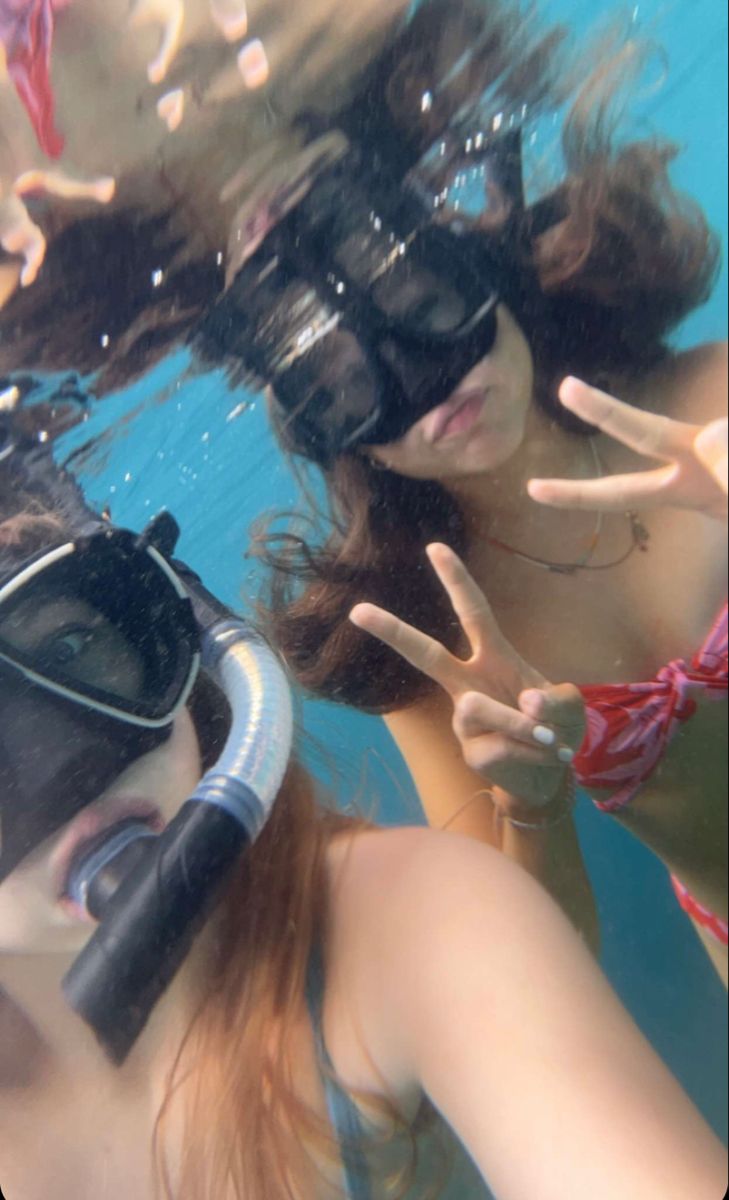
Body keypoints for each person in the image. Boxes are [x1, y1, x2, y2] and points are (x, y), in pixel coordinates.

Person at [1, 417, 728, 1200]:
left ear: (183, 647)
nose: (66, 767)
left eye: (74, 650)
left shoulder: (395, 919)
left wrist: (534, 807)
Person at [200, 11, 727, 977]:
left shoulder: (712, 401)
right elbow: (547, 976)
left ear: (480, 271)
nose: (429, 379)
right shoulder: (432, 653)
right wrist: (530, 803)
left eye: (421, 299)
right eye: (342, 380)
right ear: (335, 436)